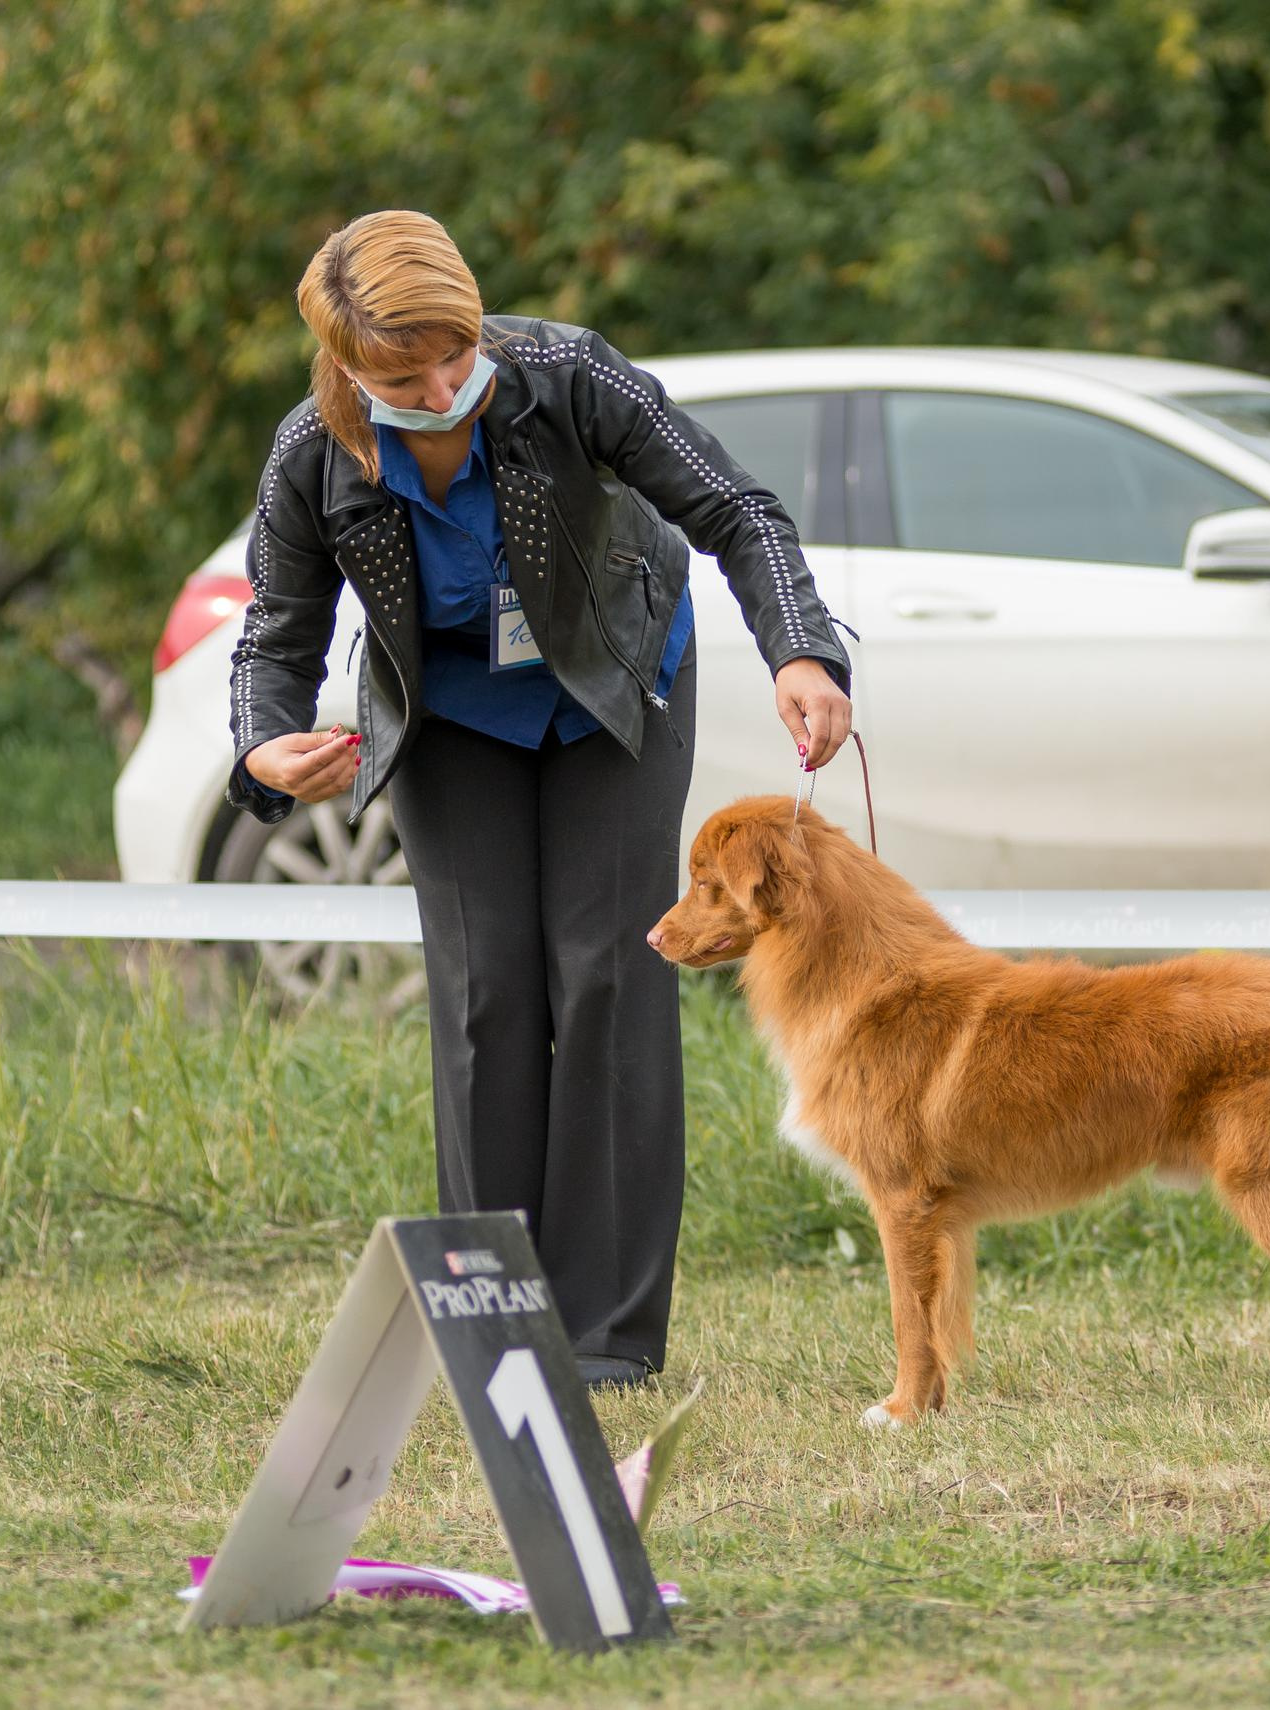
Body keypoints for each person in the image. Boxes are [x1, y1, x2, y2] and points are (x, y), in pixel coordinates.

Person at [221, 209, 854, 1389]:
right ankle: (495, 1320)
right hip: (454, 711)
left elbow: (736, 510)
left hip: (615, 684)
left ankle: (606, 1339)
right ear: (343, 367)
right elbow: (275, 632)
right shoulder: (309, 452)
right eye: (403, 373)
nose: (444, 383)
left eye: (456, 353)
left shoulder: (569, 377)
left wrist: (802, 653)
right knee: (487, 993)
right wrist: (264, 750)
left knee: (605, 971)